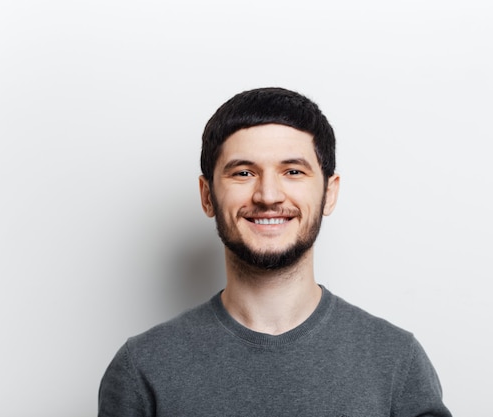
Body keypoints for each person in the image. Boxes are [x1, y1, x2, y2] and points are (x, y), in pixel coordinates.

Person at [98, 87, 452, 417]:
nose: (268, 195)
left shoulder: (396, 361)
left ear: (329, 192)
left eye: (293, 171)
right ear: (207, 196)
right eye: (243, 172)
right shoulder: (142, 369)